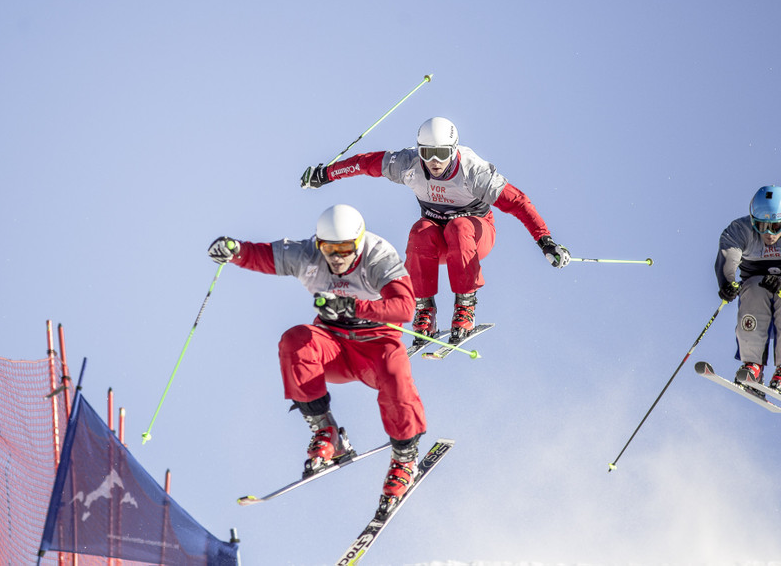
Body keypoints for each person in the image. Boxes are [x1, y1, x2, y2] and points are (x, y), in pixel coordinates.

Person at [207, 204, 427, 500]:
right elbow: (263, 255)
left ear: (358, 242)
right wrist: (234, 251)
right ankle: (327, 432)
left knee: (395, 370)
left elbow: (404, 307)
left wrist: (352, 306)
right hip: (333, 345)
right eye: (328, 249)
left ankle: (405, 458)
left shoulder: (378, 256)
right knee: (294, 340)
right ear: (319, 243)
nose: (336, 257)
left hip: (375, 345)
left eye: (345, 249)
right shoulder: (308, 255)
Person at [302, 117, 570, 348]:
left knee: (459, 226)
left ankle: (465, 306)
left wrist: (545, 241)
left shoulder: (473, 172)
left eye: (441, 154)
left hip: (476, 235)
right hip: (438, 242)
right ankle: (424, 310)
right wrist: (325, 174)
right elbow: (365, 163)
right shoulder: (407, 164)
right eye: (427, 152)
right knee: (420, 230)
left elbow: (519, 203)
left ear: (453, 150)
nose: (433, 161)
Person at [716, 185, 781, 389]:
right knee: (753, 288)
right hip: (756, 288)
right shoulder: (741, 230)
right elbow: (728, 257)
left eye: (776, 227)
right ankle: (753, 366)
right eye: (762, 226)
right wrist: (727, 283)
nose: (769, 234)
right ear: (753, 221)